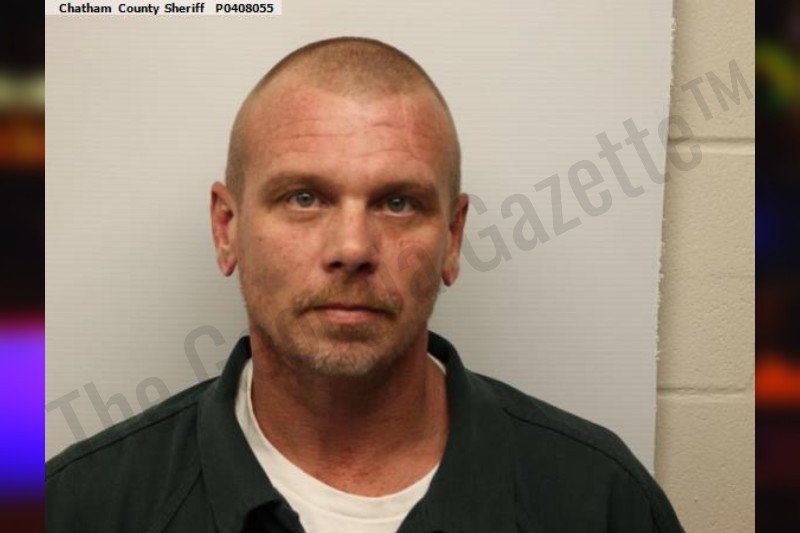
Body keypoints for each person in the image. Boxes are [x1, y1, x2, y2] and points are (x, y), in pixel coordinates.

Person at [46, 37, 684, 532]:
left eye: (398, 203)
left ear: (452, 238)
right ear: (227, 229)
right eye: (303, 198)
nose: (352, 248)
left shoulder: (599, 500)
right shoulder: (82, 507)